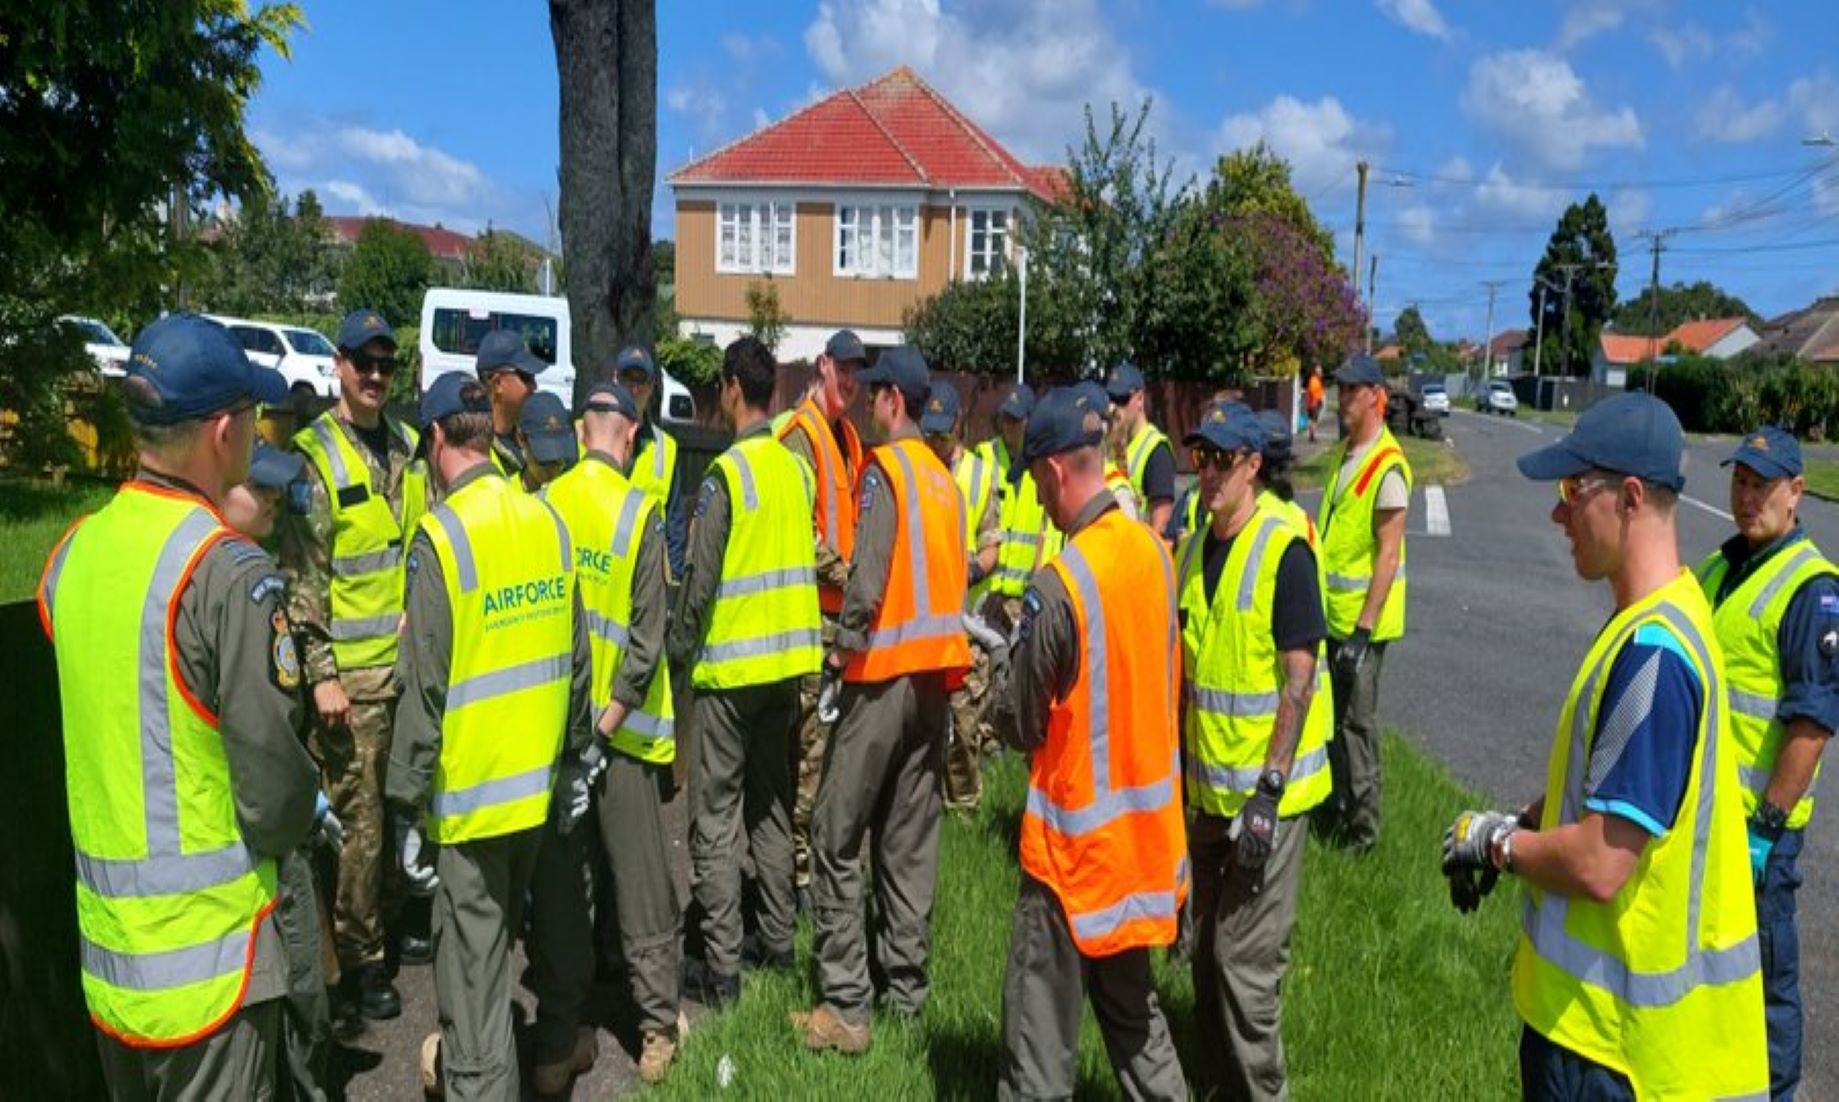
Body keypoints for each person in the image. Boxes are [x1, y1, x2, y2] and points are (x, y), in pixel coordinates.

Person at [1440, 393, 1767, 1099]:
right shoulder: (1661, 617)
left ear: (1626, 498)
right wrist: (1526, 820)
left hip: (1613, 1051)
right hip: (1598, 1036)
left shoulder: (1652, 653)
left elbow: (1598, 863)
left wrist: (1496, 844)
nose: (1557, 513)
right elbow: (1606, 786)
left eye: (1569, 490)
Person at [38, 313, 325, 1098]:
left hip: (111, 962)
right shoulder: (225, 571)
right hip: (212, 972)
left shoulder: (74, 554)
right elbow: (271, 791)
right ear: (223, 430)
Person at [386, 371, 597, 1099]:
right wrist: (573, 760)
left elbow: (424, 687)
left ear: (437, 440)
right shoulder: (546, 520)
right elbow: (577, 662)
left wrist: (405, 806)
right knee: (521, 949)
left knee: (473, 995)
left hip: (470, 808)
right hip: (537, 796)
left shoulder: (439, 538)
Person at [996, 387, 1187, 1100]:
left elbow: (1021, 724)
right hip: (1142, 851)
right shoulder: (1154, 557)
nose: (1040, 503)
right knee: (1135, 1024)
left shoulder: (1060, 583)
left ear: (1051, 473)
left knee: (1038, 1046)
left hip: (1070, 863)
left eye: (1036, 486)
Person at [795, 346, 970, 1054]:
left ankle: (844, 1005)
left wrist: (839, 654)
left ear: (895, 400)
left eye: (873, 396)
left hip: (881, 677)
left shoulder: (885, 473)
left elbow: (866, 583)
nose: (865, 405)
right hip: (936, 683)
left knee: (834, 836)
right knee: (906, 843)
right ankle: (905, 995)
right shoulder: (943, 481)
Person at [529, 381, 687, 1087]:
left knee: (567, 891)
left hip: (557, 740)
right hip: (619, 741)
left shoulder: (545, 507)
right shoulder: (639, 513)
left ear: (581, 431)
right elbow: (648, 645)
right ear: (625, 436)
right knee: (643, 887)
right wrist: (606, 728)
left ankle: (560, 1038)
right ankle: (656, 1033)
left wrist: (572, 735)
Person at [280, 308, 431, 1022]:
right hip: (350, 689)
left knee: (399, 813)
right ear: (338, 364)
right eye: (362, 363)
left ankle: (386, 932)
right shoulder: (315, 456)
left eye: (384, 365)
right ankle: (356, 967)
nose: (374, 377)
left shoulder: (407, 446)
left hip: (404, 674)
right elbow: (301, 581)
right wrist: (322, 676)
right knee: (358, 831)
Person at [1175, 402, 1330, 1099]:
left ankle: (1260, 1092)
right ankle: (1217, 1085)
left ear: (1251, 465)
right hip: (1206, 794)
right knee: (1202, 955)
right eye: (1200, 456)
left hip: (1267, 799)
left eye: (1220, 459)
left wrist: (1267, 793)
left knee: (1243, 964)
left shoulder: (1283, 546)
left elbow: (1297, 679)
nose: (1205, 472)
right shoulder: (1192, 544)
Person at [669, 336, 824, 1005]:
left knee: (713, 818)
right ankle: (778, 943)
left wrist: (676, 650)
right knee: (771, 810)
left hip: (730, 678)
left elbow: (698, 587)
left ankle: (723, 969)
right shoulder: (798, 470)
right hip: (787, 675)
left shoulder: (726, 477)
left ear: (732, 387)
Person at [1694, 425, 1837, 1098]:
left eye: (1761, 486)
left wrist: (1764, 830)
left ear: (1795, 492)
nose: (1746, 498)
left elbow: (1811, 725)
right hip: (1704, 816)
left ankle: (1775, 1090)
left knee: (1766, 980)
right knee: (1710, 967)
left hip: (1759, 833)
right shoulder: (1722, 565)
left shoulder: (1810, 588)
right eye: (1739, 482)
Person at [229, 442, 339, 1102]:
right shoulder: (244, 585)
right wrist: (304, 803)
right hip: (264, 824)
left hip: (262, 816)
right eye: (259, 489)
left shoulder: (256, 569)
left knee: (305, 1000)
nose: (274, 500)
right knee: (301, 1000)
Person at [777, 329, 866, 906]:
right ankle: (799, 883)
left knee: (830, 755)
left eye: (860, 373)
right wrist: (850, 574)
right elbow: (797, 533)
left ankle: (816, 871)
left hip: (842, 625)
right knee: (808, 758)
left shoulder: (848, 437)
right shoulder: (800, 436)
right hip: (811, 620)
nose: (853, 383)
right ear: (822, 366)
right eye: (845, 370)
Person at [1315, 354, 1410, 850]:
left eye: (1352, 391)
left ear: (1377, 398)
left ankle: (1363, 831)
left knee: (1356, 726)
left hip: (1361, 626)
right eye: (1340, 388)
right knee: (1333, 720)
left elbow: (1387, 554)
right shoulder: (1343, 453)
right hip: (1332, 616)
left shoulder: (1387, 465)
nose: (1341, 399)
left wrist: (1362, 631)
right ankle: (1337, 806)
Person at [922, 382, 1001, 813]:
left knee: (964, 722)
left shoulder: (979, 474)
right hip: (923, 623)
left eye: (942, 434)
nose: (935, 443)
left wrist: (971, 570)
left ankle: (965, 809)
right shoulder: (918, 468)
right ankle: (929, 803)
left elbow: (993, 545)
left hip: (967, 623)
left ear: (957, 425)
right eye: (929, 434)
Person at [609, 346, 688, 580]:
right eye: (627, 379)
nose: (633, 389)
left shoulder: (667, 448)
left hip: (646, 578)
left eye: (641, 381)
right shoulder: (587, 436)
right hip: (600, 573)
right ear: (614, 379)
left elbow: (675, 529)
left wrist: (671, 589)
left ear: (652, 386)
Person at [1105, 361, 1177, 535]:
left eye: (1122, 400)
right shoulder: (1110, 443)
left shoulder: (1156, 450)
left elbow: (1160, 525)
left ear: (1140, 399)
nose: (1115, 408)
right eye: (1112, 399)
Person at [474, 330, 546, 482]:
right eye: (526, 377)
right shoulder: (474, 447)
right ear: (498, 383)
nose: (534, 386)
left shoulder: (529, 438)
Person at [514, 389, 579, 492]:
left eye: (560, 461)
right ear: (521, 439)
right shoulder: (505, 496)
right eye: (544, 462)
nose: (552, 471)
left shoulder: (572, 493)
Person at [1305, 366, 1325, 444]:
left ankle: (1311, 435)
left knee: (1311, 420)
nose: (1321, 373)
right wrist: (1319, 399)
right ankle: (1312, 436)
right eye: (1320, 372)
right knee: (1314, 420)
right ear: (1316, 373)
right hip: (1314, 403)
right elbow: (1313, 392)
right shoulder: (1314, 381)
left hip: (1311, 403)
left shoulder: (1314, 380)